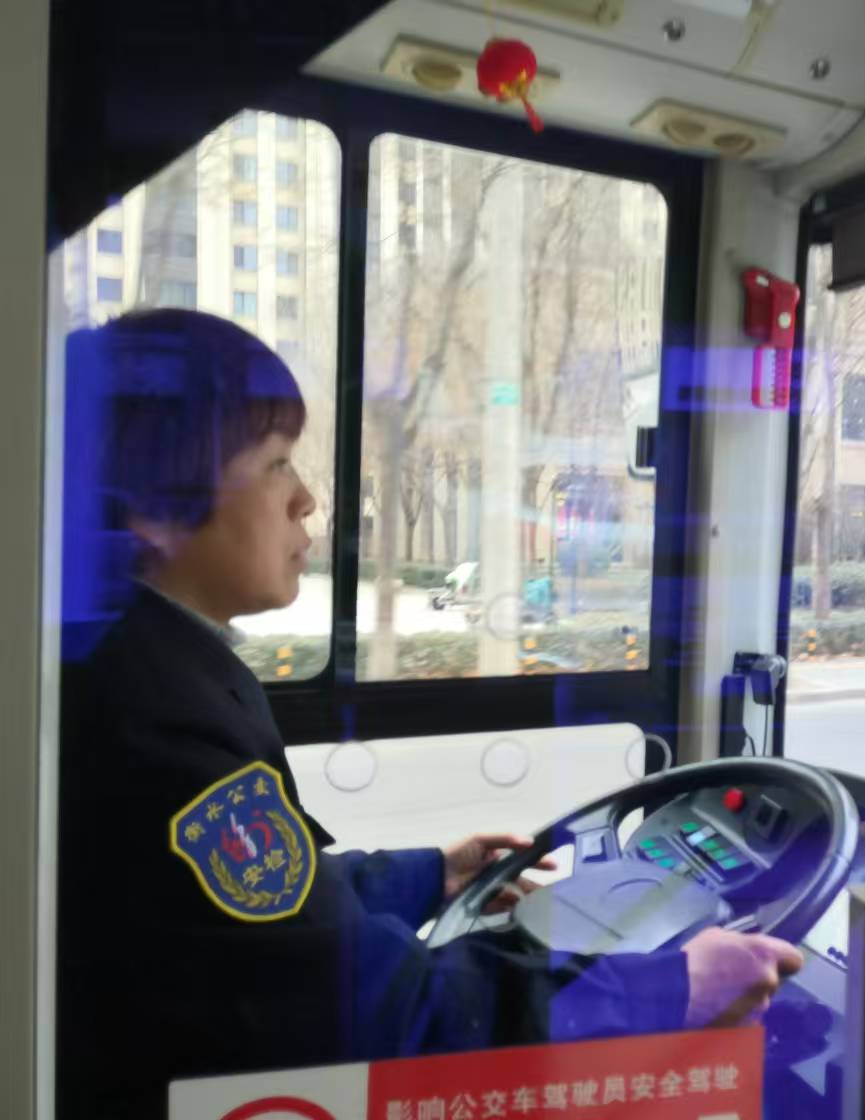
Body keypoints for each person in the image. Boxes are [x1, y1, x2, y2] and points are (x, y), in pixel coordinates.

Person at [56, 309, 802, 1119]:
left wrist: (426, 875)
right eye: (274, 465)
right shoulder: (156, 719)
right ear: (157, 507)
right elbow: (370, 1010)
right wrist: (669, 990)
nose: (306, 498)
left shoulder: (137, 661)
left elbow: (254, 914)